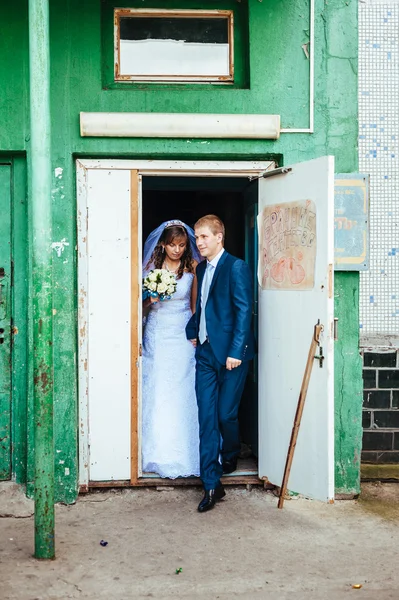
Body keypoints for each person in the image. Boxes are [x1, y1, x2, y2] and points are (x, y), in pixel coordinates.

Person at [186, 215, 255, 513]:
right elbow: (203, 306)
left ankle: (230, 452)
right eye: (197, 237)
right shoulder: (201, 268)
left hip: (231, 356)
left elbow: (243, 310)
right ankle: (211, 484)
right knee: (206, 417)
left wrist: (237, 350)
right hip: (204, 354)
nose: (198, 242)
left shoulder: (236, 267)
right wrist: (193, 331)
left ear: (219, 237)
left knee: (226, 414)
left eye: (203, 237)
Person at [141, 220, 202, 479]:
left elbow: (194, 307)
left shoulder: (193, 268)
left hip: (181, 334)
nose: (177, 250)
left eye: (182, 245)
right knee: (157, 388)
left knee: (182, 388)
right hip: (157, 332)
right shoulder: (150, 269)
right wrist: (150, 298)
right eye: (172, 245)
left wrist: (197, 334)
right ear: (163, 244)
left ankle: (185, 453)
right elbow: (138, 310)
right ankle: (157, 452)